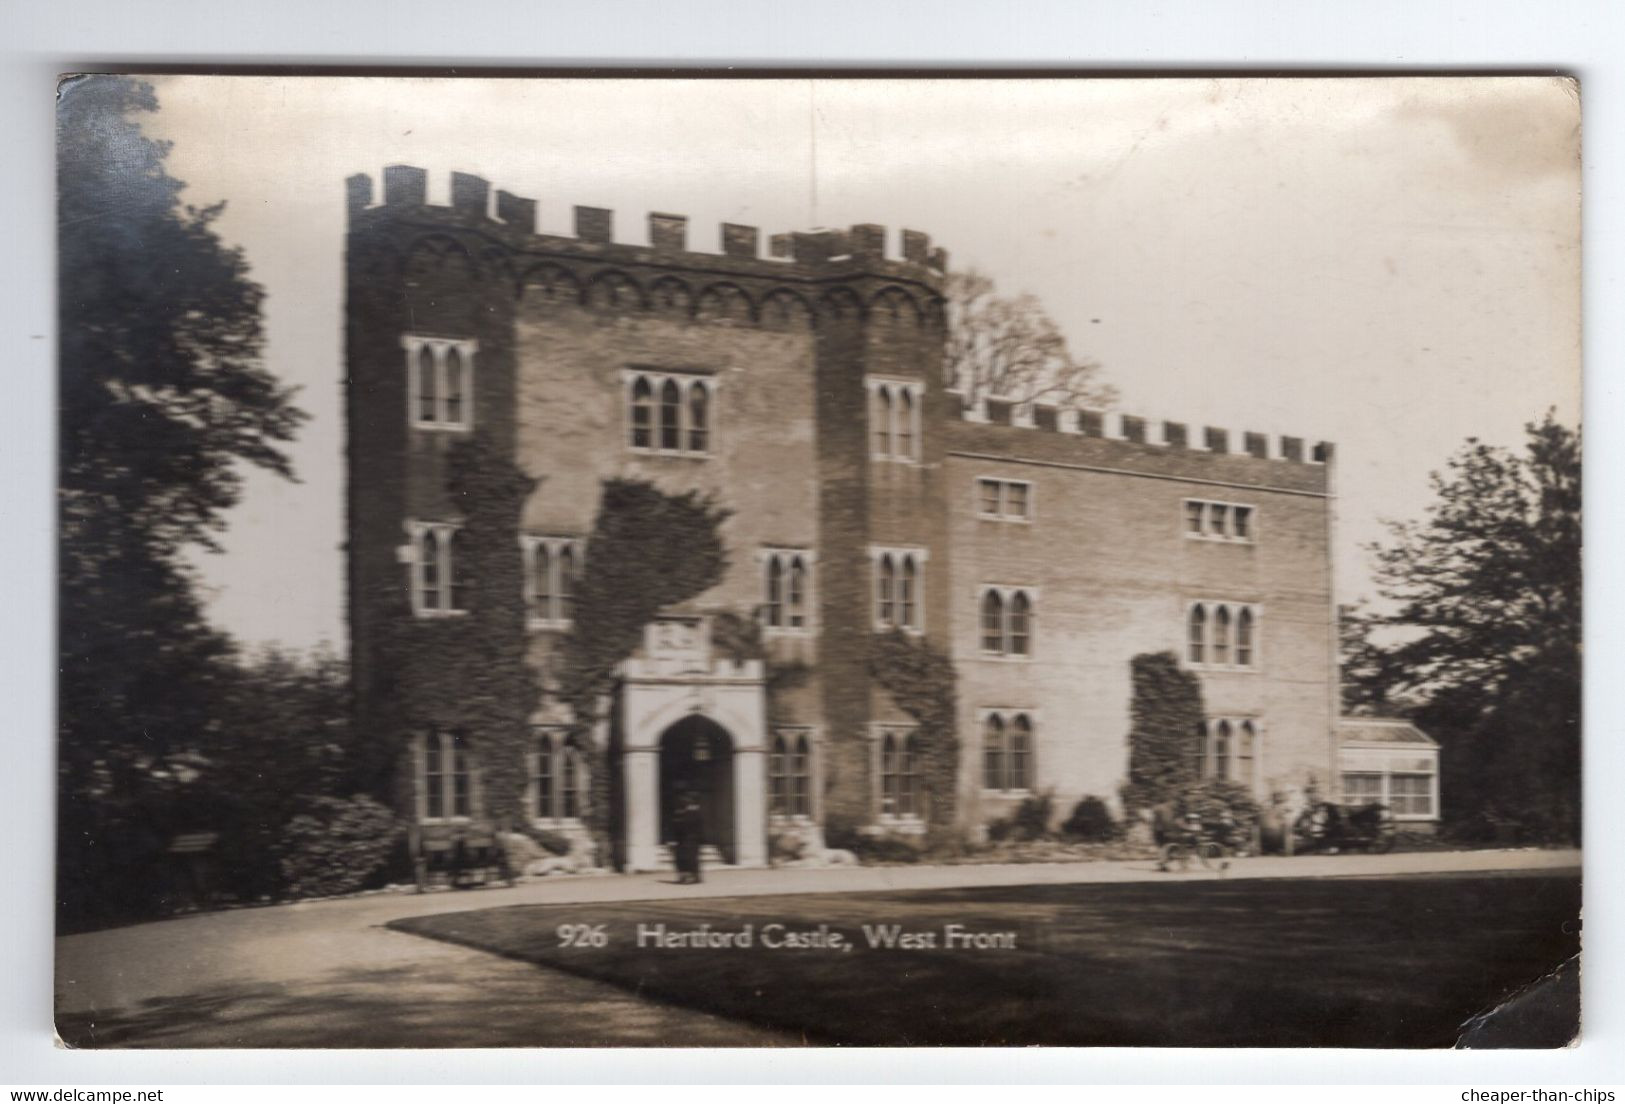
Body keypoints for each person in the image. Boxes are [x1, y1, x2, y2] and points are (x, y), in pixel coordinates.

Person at [671, 789, 705, 884]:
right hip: (686, 840)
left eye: (688, 799)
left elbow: (696, 827)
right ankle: (691, 877)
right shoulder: (686, 812)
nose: (686, 801)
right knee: (688, 858)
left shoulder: (692, 812)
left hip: (689, 840)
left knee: (690, 858)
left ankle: (691, 877)